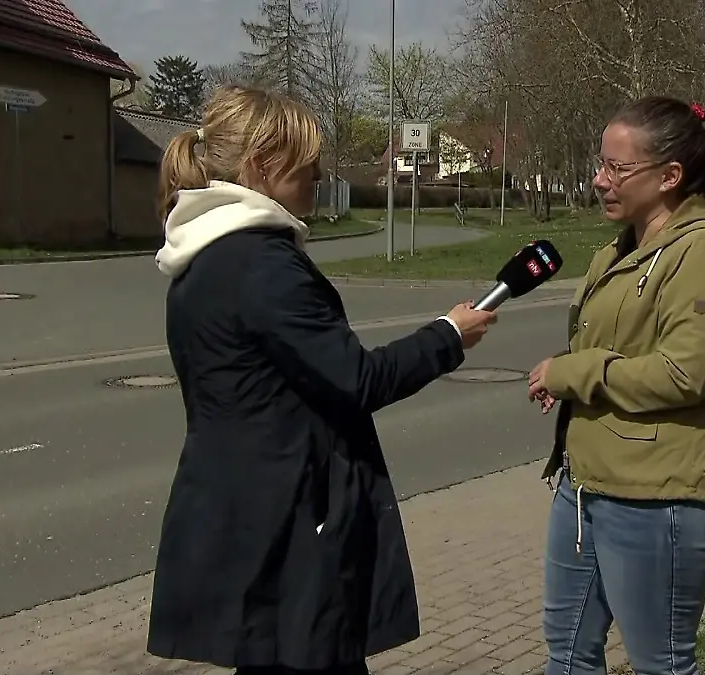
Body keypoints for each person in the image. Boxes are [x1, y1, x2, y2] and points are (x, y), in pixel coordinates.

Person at [144, 85, 498, 675]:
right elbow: (356, 379)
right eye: (307, 162)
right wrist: (448, 335)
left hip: (247, 515)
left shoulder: (203, 259)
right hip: (293, 526)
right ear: (262, 165)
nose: (318, 174)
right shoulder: (262, 265)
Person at [526, 96, 705, 675]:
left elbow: (684, 372)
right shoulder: (622, 249)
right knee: (566, 655)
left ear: (670, 177)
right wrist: (567, 376)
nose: (599, 180)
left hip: (659, 501)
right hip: (586, 488)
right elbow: (617, 345)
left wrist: (575, 373)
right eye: (601, 164)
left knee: (659, 664)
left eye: (618, 168)